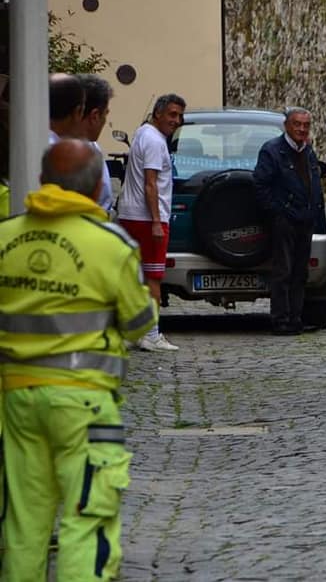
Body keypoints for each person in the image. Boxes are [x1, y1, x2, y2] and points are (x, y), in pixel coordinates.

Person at [0, 139, 157, 581]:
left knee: (24, 521)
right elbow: (140, 323)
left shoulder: (5, 238)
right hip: (85, 402)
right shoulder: (110, 244)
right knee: (88, 515)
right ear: (94, 190)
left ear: (43, 181)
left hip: (16, 399)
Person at [117, 93, 186, 351]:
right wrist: (157, 220)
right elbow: (150, 184)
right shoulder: (156, 142)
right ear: (157, 113)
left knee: (134, 277)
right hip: (147, 219)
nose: (176, 120)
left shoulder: (142, 134)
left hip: (131, 214)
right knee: (153, 277)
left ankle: (133, 330)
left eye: (179, 116)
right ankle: (152, 333)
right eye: (171, 114)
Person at [253, 107, 326, 335]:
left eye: (305, 125)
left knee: (300, 272)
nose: (302, 129)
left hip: (305, 220)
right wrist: (278, 212)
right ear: (287, 125)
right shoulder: (272, 151)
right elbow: (260, 185)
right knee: (283, 271)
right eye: (297, 124)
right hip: (284, 220)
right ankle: (281, 319)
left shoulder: (308, 151)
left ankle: (296, 317)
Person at [76, 73, 116, 211]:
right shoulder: (56, 151)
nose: (105, 121)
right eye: (106, 114)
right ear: (95, 116)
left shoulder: (93, 147)